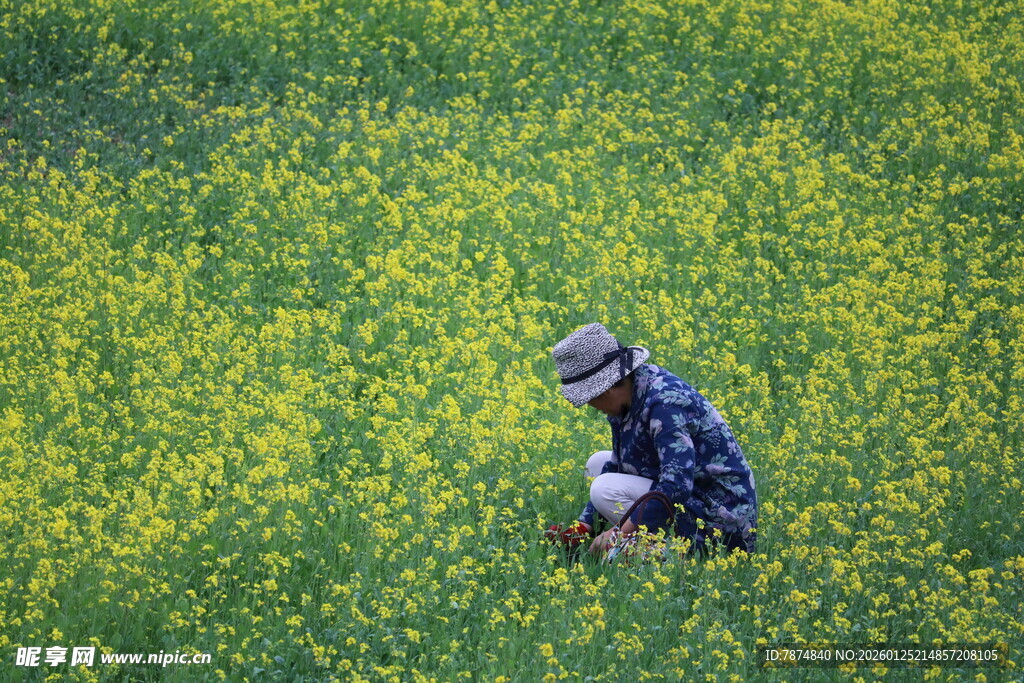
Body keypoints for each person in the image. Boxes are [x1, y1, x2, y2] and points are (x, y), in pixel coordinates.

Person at [546, 322, 758, 558]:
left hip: (718, 519)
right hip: (689, 494)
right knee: (598, 463)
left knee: (604, 488)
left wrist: (618, 534)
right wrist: (583, 526)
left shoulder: (665, 403)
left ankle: (660, 550)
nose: (589, 406)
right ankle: (631, 536)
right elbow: (618, 464)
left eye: (589, 399)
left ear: (605, 389)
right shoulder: (631, 394)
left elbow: (677, 484)